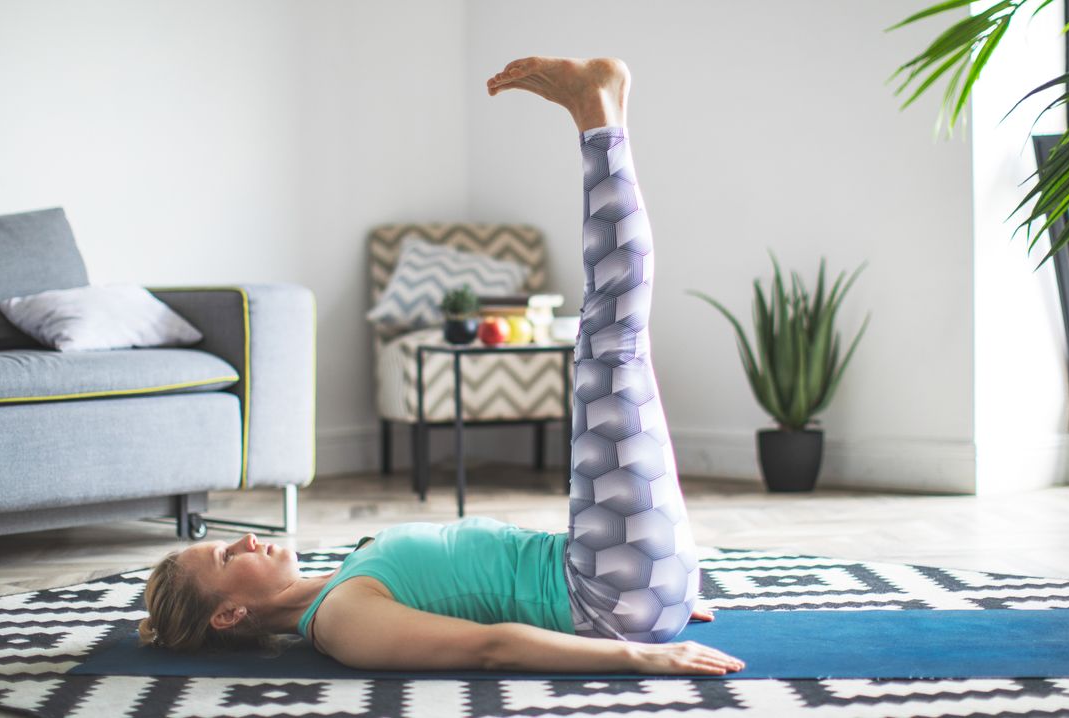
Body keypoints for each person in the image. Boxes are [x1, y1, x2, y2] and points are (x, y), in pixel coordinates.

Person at [139, 57, 746, 677]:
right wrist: (637, 648)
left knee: (607, 341)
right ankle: (598, 112)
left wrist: (645, 588)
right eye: (224, 558)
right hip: (610, 597)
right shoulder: (342, 621)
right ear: (228, 615)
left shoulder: (345, 579)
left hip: (611, 574)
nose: (243, 538)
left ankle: (601, 112)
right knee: (609, 340)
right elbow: (491, 647)